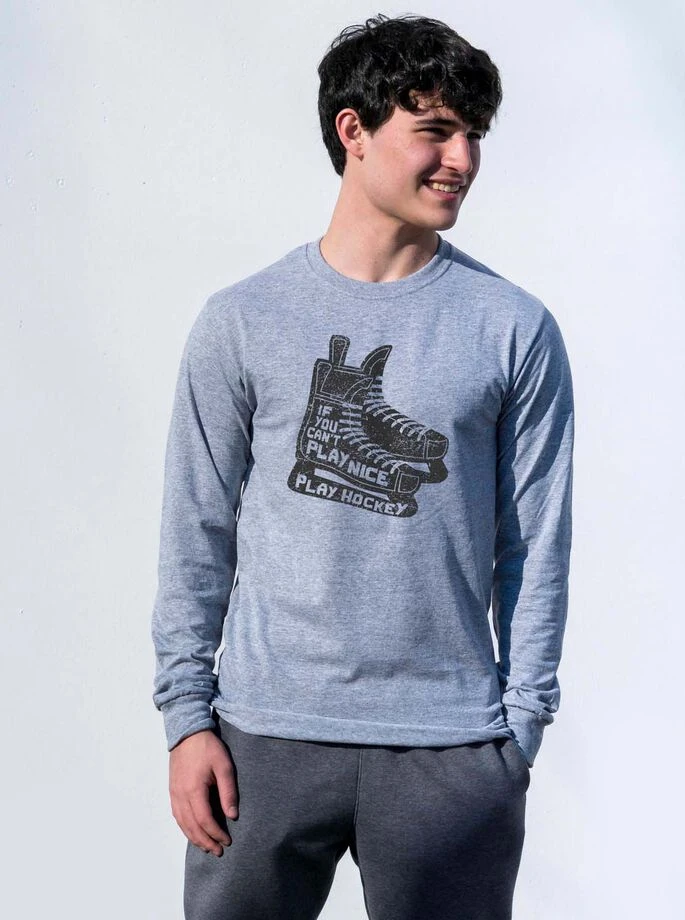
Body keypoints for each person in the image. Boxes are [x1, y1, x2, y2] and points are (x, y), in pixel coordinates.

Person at [152, 13, 574, 920]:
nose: (462, 159)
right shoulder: (244, 321)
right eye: (436, 130)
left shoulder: (513, 328)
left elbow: (534, 545)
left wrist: (516, 737)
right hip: (260, 740)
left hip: (450, 751)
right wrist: (188, 720)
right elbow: (197, 529)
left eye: (474, 134)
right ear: (354, 129)